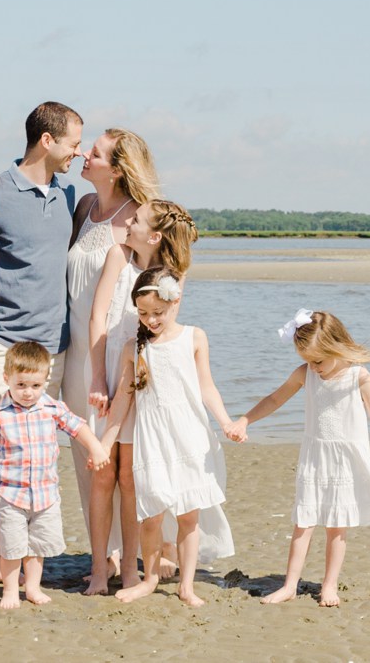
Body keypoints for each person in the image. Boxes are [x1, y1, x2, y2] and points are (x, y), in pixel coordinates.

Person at [0, 100, 83, 582]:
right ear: (47, 140)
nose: (77, 153)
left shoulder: (69, 194)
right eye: (74, 143)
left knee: (25, 456)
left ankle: (1, 558)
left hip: (52, 350)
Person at [98, 267, 242, 607]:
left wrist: (226, 422)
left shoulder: (194, 337)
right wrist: (106, 441)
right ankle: (149, 579)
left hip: (189, 436)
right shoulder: (134, 348)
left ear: (175, 302)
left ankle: (186, 584)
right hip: (152, 440)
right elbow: (123, 399)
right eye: (144, 313)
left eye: (158, 313)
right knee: (151, 515)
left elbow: (207, 386)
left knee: (188, 516)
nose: (151, 320)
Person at [229, 309, 370, 607]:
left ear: (336, 346)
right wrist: (245, 420)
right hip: (314, 458)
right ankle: (290, 585)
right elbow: (275, 399)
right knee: (303, 522)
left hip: (345, 460)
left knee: (336, 526)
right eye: (308, 361)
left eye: (318, 360)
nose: (314, 367)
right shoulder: (306, 374)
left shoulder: (359, 375)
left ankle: (329, 586)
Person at [83, 197, 198, 594]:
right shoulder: (118, 255)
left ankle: (132, 569)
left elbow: (165, 332)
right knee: (103, 473)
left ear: (154, 234)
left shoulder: (174, 275)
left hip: (141, 372)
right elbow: (98, 318)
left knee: (131, 476)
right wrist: (98, 376)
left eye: (135, 219)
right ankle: (100, 568)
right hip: (106, 363)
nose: (126, 221)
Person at [63, 126, 158, 587]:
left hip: (116, 352)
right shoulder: (83, 208)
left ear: (117, 169)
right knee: (87, 458)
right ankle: (103, 555)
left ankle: (133, 555)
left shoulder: (139, 217)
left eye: (95, 153)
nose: (84, 154)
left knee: (125, 459)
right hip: (78, 352)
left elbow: (158, 291)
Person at [0, 343, 110, 609]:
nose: (28, 393)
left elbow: (77, 426)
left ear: (45, 381)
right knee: (11, 546)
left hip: (45, 495)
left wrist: (96, 448)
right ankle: (10, 590)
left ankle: (32, 587)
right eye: (21, 385)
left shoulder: (51, 407)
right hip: (11, 495)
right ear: (7, 379)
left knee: (37, 546)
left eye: (35, 386)